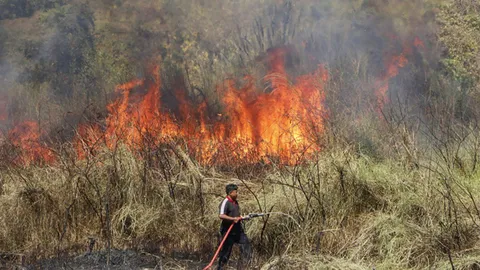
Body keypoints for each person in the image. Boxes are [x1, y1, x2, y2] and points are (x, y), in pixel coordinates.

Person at [217, 184, 252, 270]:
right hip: (228, 231)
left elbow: (237, 216)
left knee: (246, 244)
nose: (237, 194)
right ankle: (220, 268)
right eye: (236, 192)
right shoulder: (225, 202)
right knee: (226, 252)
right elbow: (221, 215)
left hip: (238, 230)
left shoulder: (236, 202)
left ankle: (245, 266)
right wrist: (233, 219)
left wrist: (242, 218)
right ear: (230, 193)